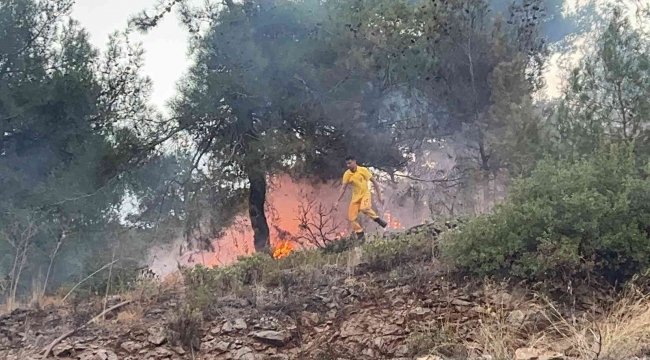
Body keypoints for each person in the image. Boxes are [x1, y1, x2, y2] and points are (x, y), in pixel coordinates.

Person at [335, 155, 388, 240]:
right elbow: (343, 188)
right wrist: (337, 200)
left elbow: (375, 183)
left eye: (350, 163)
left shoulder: (363, 170)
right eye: (347, 164)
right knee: (351, 218)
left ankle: (377, 219)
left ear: (354, 161)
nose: (348, 166)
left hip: (365, 194)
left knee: (364, 208)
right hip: (355, 198)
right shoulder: (347, 174)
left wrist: (380, 196)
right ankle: (360, 233)